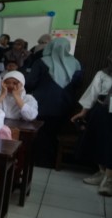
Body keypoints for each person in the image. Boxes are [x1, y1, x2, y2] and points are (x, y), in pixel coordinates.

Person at [25, 38, 82, 167]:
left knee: (41, 132)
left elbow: (30, 82)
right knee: (55, 132)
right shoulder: (76, 63)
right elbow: (78, 83)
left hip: (42, 104)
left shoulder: (41, 62)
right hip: (65, 104)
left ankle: (41, 160)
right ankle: (53, 160)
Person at [72, 52, 112, 196]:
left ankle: (109, 181)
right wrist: (83, 112)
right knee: (99, 142)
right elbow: (93, 93)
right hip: (102, 111)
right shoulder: (103, 74)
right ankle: (102, 173)